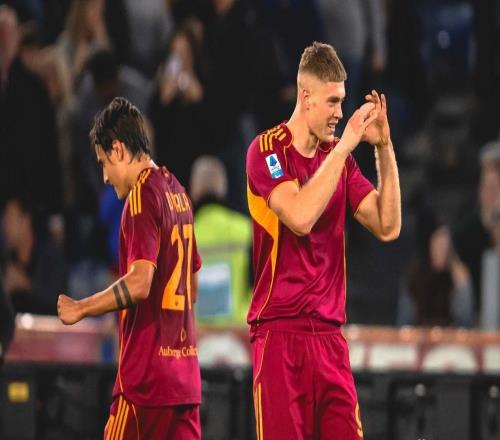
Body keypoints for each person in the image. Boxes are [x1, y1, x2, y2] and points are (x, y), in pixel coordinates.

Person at [245, 42, 401, 439]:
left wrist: (383, 147)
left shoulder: (338, 160)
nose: (339, 113)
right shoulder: (266, 151)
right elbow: (299, 217)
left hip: (331, 340)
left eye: (342, 101)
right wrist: (346, 145)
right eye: (332, 102)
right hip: (279, 335)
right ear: (305, 97)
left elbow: (388, 225)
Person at [57, 97, 202, 439]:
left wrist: (82, 307)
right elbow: (192, 288)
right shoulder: (178, 193)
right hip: (184, 382)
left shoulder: (141, 196)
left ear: (119, 149)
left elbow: (139, 283)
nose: (105, 177)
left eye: (103, 163)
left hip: (145, 385)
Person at [190, 156, 252, 325]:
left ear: (193, 190)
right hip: (239, 334)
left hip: (197, 334)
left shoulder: (181, 236)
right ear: (222, 188)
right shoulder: (246, 229)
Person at [397, 222, 474, 327]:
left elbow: (465, 320)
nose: (442, 250)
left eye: (446, 246)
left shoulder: (456, 276)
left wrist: (463, 287)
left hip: (449, 335)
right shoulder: (414, 275)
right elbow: (404, 320)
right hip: (419, 333)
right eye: (438, 245)